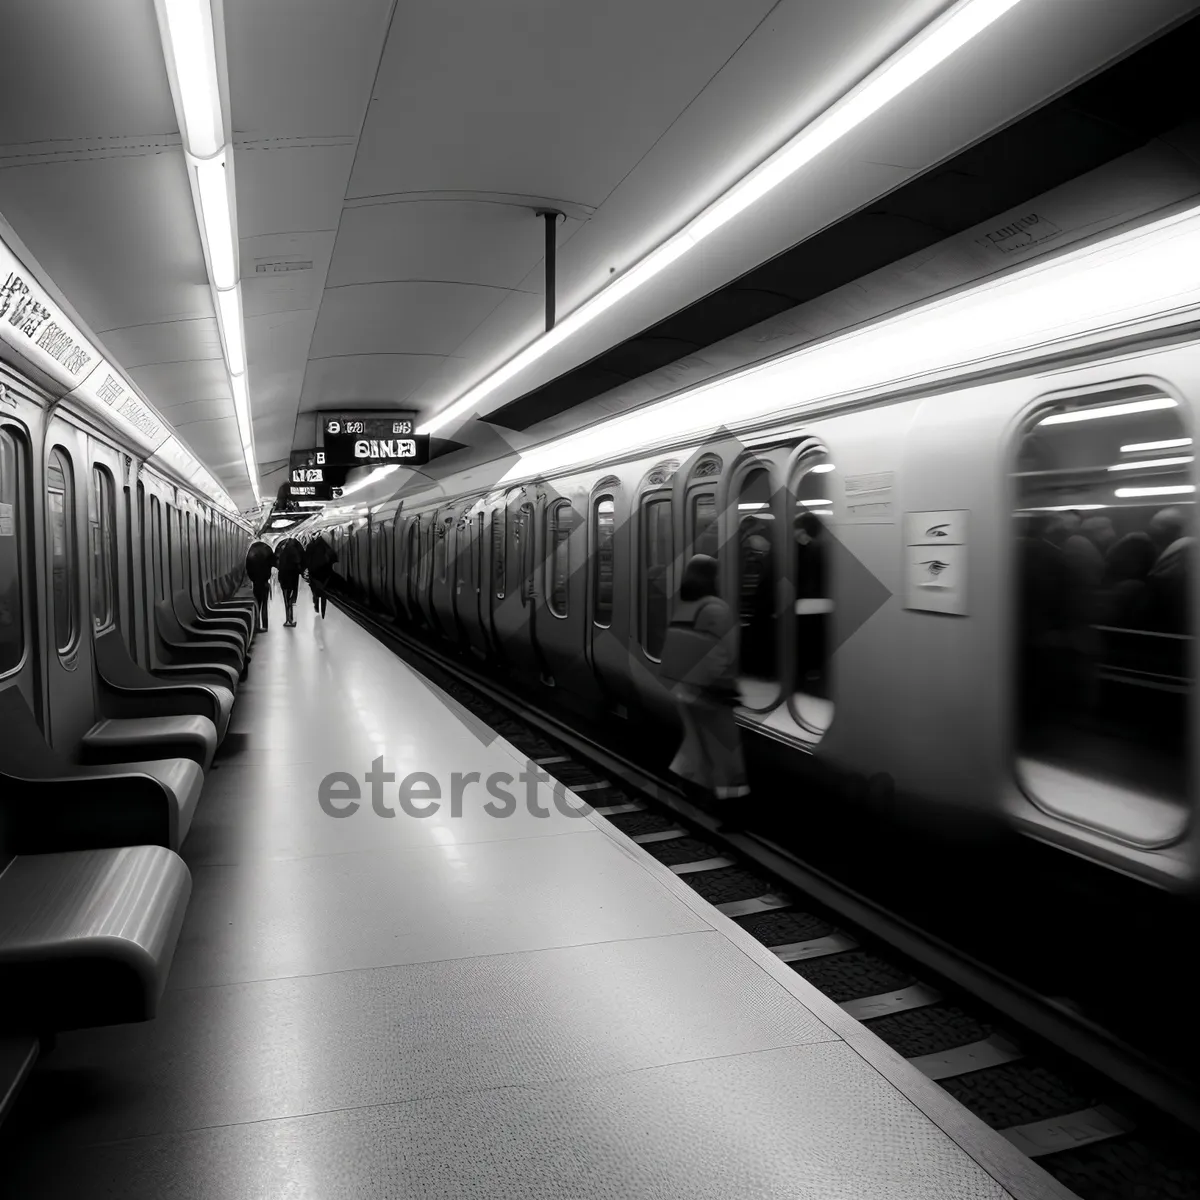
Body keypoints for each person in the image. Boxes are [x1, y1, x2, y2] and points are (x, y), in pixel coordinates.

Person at [660, 554, 749, 829]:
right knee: (726, 753)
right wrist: (727, 686)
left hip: (684, 689)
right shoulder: (717, 609)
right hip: (711, 692)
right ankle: (732, 814)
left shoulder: (685, 606)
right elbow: (727, 652)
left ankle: (687, 783)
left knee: (697, 742)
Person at [245, 540, 275, 633]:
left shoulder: (251, 552)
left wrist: (253, 580)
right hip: (265, 582)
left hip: (256, 583)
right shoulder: (268, 550)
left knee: (257, 604)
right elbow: (273, 563)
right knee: (264, 604)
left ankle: (257, 626)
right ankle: (265, 625)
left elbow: (248, 568)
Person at [305, 535, 337, 620]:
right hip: (324, 572)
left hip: (314, 572)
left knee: (315, 590)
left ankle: (316, 605)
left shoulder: (310, 546)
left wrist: (308, 569)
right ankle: (322, 612)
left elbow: (307, 559)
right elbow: (331, 556)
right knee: (324, 593)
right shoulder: (324, 545)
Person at [276, 537, 304, 628]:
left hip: (283, 580)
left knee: (286, 599)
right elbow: (299, 565)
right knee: (292, 600)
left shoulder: (283, 552)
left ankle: (287, 619)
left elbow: (279, 565)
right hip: (293, 580)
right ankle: (291, 619)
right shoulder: (295, 552)